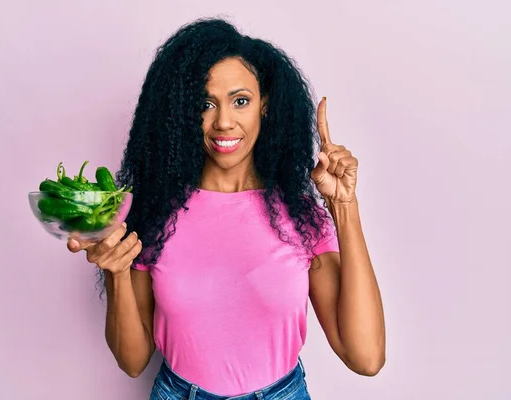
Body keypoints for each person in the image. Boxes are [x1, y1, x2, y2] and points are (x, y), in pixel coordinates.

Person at [67, 18, 385, 400]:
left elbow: (365, 357)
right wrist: (116, 272)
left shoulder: (302, 219)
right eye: (205, 103)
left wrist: (343, 205)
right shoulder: (157, 215)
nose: (223, 122)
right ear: (184, 112)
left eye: (240, 101)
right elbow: (133, 361)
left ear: (264, 107)